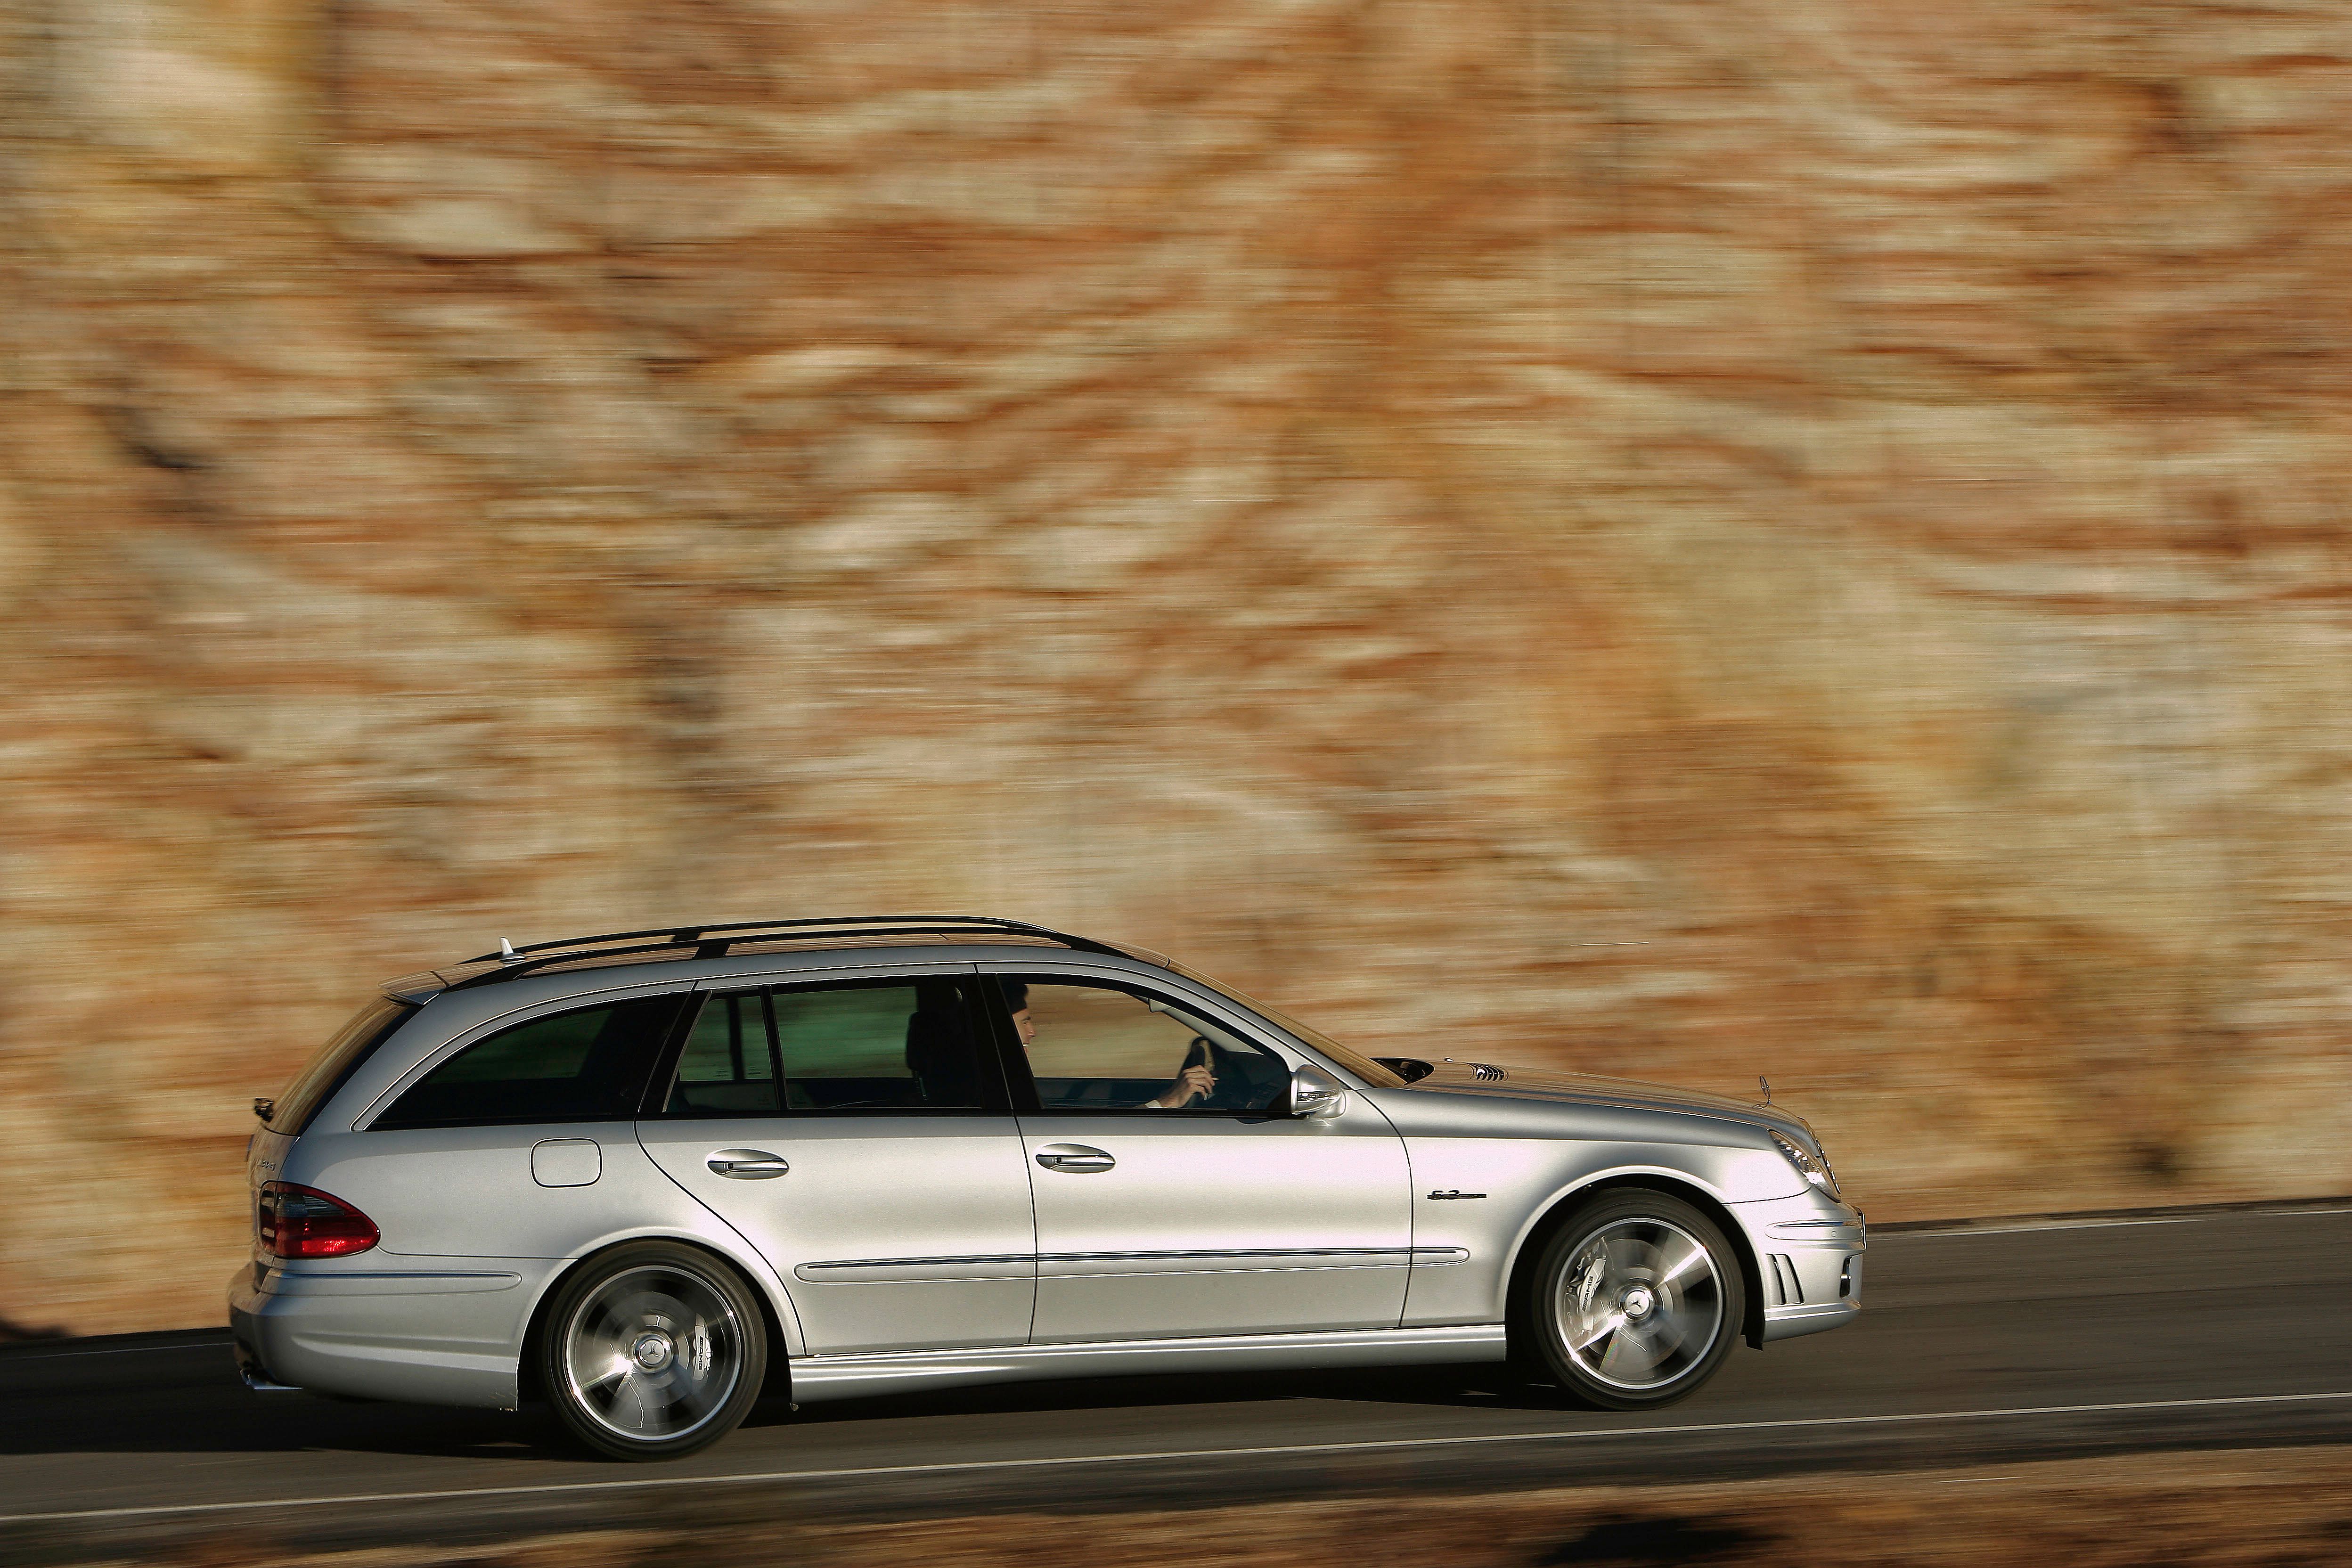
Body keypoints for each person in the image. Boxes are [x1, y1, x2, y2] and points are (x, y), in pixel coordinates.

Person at [1004, 981, 1215, 1109]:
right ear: (999, 1026)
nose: (1033, 1031)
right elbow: (1078, 1138)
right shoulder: (994, 1092)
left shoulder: (1002, 1083)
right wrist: (1167, 1102)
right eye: (1025, 1022)